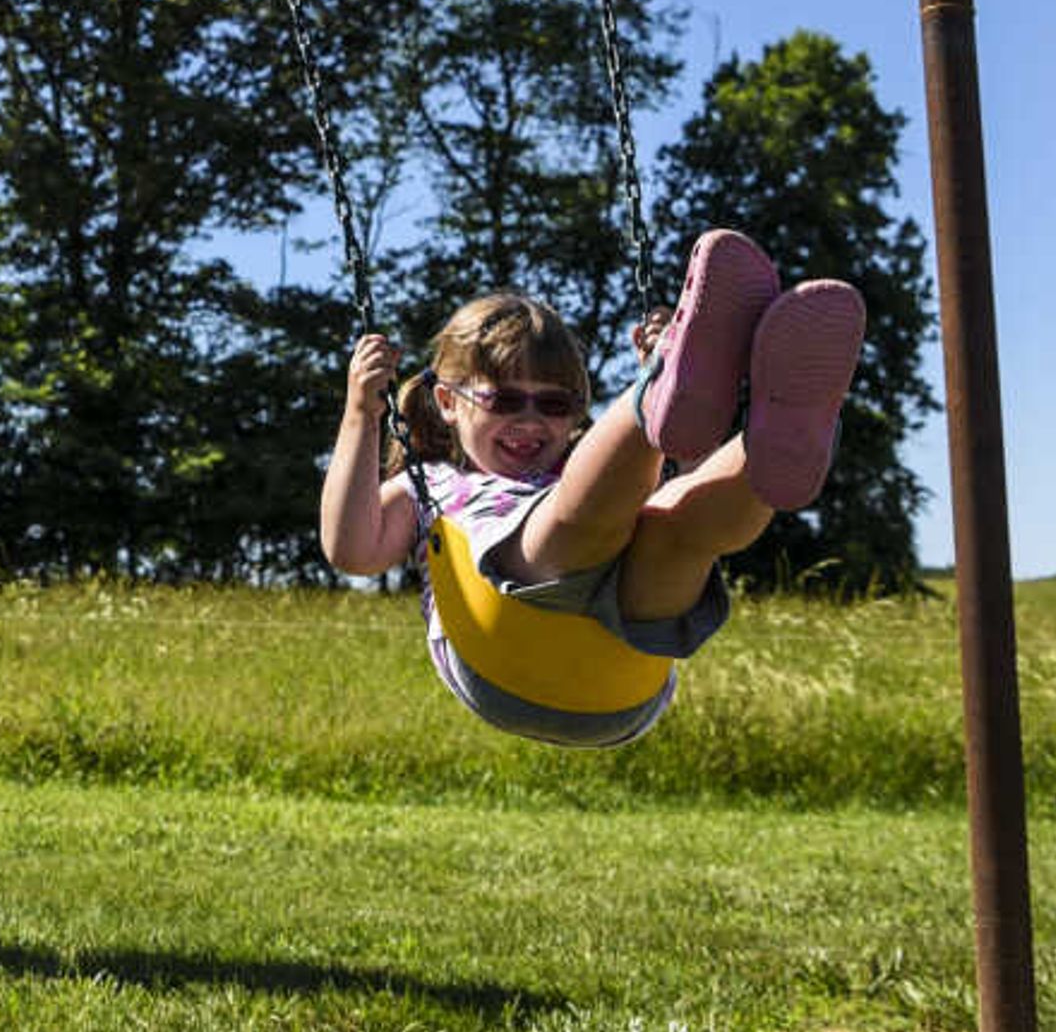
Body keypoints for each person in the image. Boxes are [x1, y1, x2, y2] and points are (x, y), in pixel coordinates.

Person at [318, 230, 864, 746]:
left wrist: (687, 434)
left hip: (625, 670)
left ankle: (770, 439)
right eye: (505, 401)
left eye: (554, 405)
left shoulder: (590, 469)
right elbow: (354, 551)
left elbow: (690, 485)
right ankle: (658, 392)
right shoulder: (433, 484)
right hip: (506, 650)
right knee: (574, 519)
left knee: (678, 527)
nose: (531, 421)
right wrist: (359, 415)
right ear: (447, 403)